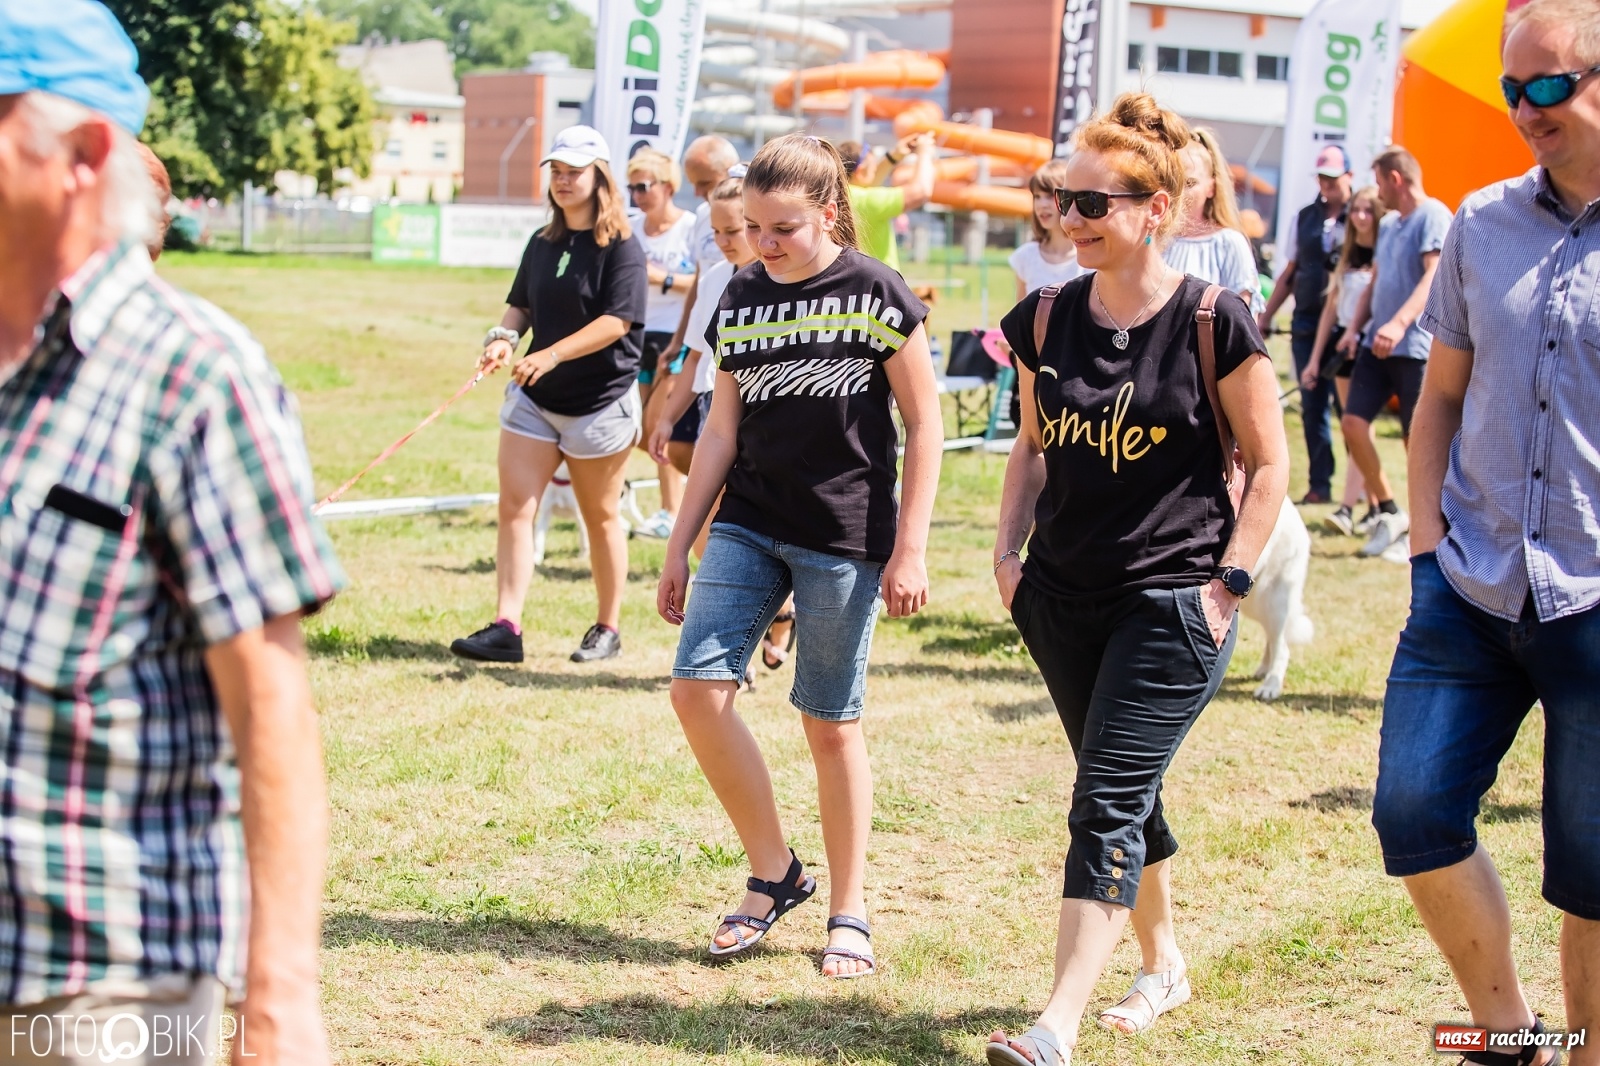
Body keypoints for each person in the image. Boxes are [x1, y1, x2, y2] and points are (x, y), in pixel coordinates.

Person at [0, 4, 343, 1062]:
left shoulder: (194, 375)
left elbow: (270, 708)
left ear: (81, 154)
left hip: (95, 987)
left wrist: (276, 1001)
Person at [987, 93, 1289, 1065]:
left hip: (1172, 599)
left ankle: (1054, 1025)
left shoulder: (1214, 320)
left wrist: (1228, 582)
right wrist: (1005, 557)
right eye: (1059, 200)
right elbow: (1031, 446)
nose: (1067, 219)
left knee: (1104, 797)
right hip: (1059, 594)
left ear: (1153, 208)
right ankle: (1162, 963)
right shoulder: (1040, 316)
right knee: (1122, 782)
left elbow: (1271, 464)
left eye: (1090, 204)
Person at [657, 133, 942, 979]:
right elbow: (720, 429)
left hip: (844, 538)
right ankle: (774, 872)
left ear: (827, 213)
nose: (764, 243)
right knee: (696, 691)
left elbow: (925, 427)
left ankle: (849, 913)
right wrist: (680, 543)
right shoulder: (740, 293)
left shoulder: (877, 292)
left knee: (829, 723)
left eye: (782, 227)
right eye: (753, 226)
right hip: (747, 522)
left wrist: (911, 548)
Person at [1372, 4, 1600, 1063]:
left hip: (1593, 596)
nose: (1522, 109)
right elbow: (1438, 403)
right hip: (1468, 587)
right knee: (1412, 815)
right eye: (1512, 88)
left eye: (1545, 85)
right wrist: (1425, 554)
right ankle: (1511, 1037)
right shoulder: (1480, 221)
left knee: (1593, 870)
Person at [450, 125, 648, 665]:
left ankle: (608, 627)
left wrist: (553, 352)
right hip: (535, 398)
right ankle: (506, 626)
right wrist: (503, 339)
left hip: (600, 402)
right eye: (556, 172)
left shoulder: (623, 247)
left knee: (600, 516)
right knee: (515, 507)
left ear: (600, 177)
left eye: (574, 172)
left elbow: (618, 321)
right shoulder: (542, 242)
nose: (563, 181)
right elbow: (521, 306)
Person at [1336, 145, 1453, 561]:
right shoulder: (1389, 226)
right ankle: (1389, 510)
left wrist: (1400, 323)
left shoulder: (1434, 216)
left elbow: (1434, 278)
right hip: (1375, 345)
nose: (1377, 191)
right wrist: (1354, 330)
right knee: (1352, 423)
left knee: (1418, 443)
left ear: (1395, 179)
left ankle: (1427, 530)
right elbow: (1375, 283)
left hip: (1416, 347)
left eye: (1381, 181)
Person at [647, 171, 757, 563]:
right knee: (705, 536)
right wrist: (666, 419)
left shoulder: (783, 280)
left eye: (732, 230)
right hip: (714, 411)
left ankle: (782, 619)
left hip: (764, 414)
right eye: (715, 232)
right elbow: (696, 355)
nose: (722, 242)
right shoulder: (713, 280)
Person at [1259, 144, 1353, 505]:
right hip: (1307, 320)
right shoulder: (1305, 217)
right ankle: (1320, 485)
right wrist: (1266, 316)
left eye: (1333, 177)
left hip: (1345, 325)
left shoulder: (1362, 215)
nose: (1327, 184)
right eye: (1323, 178)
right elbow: (1290, 271)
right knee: (1312, 405)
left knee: (1350, 410)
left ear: (1349, 176)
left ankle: (1356, 491)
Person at [1300, 185, 1384, 536]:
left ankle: (1351, 506)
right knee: (1354, 427)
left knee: (1358, 425)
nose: (1361, 217)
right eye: (1357, 211)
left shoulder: (1385, 253)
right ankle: (1377, 506)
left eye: (1368, 210)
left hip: (1370, 348)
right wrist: (1314, 360)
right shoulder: (1342, 255)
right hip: (1341, 348)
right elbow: (1329, 310)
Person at [625, 148, 698, 539]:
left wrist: (662, 279)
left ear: (668, 187)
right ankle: (677, 497)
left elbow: (701, 280)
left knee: (660, 427)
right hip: (635, 334)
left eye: (643, 186)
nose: (637, 195)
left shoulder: (688, 227)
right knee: (636, 428)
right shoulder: (630, 227)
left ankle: (671, 511)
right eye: (632, 187)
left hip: (675, 336)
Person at [1163, 127, 1261, 311]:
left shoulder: (1228, 244)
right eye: (1172, 181)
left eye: (1190, 183)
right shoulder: (1149, 239)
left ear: (1211, 187)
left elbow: (1242, 326)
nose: (1179, 192)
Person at [838, 132, 936, 270]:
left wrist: (895, 156)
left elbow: (869, 181)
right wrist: (925, 153)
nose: (875, 172)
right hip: (878, 285)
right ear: (860, 173)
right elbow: (920, 192)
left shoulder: (839, 194)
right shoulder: (866, 201)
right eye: (872, 168)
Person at [1010, 159, 1088, 300]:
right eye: (1037, 197)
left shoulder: (1090, 255)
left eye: (1049, 196)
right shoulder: (1026, 257)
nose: (1042, 204)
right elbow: (1021, 318)